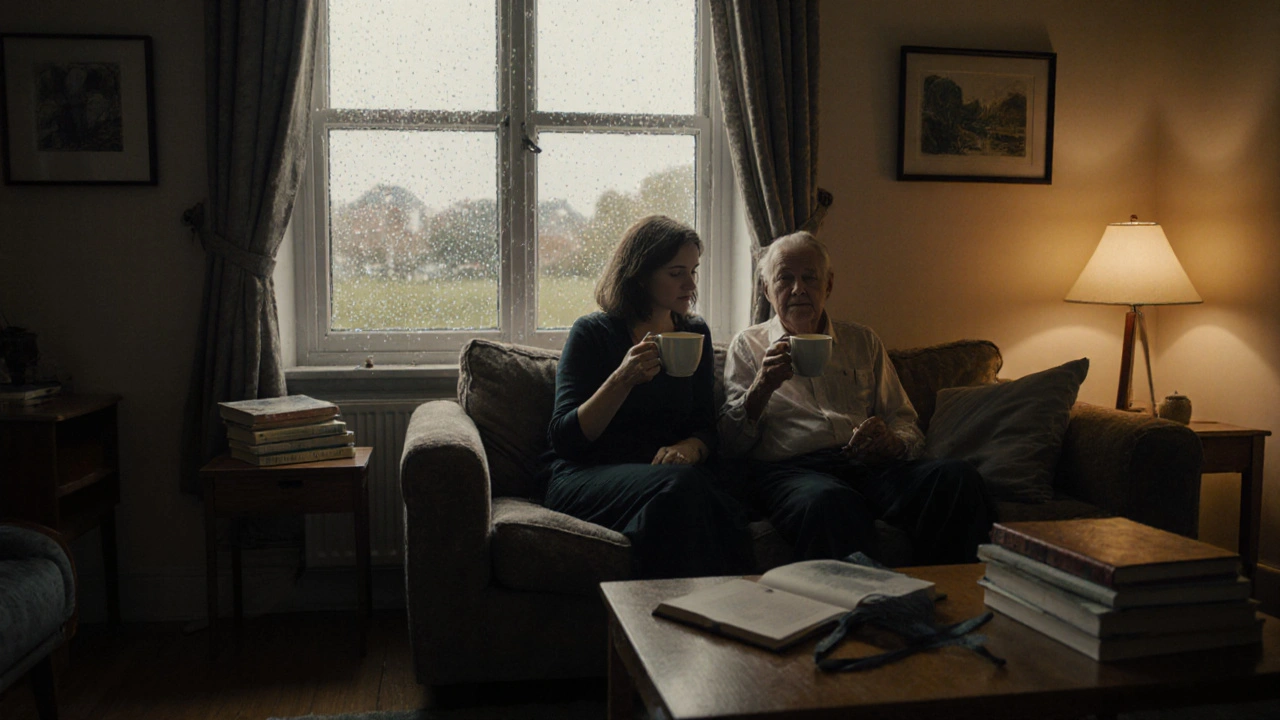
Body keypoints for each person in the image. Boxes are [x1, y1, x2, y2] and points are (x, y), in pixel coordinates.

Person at [718, 231, 994, 565]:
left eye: (810, 278)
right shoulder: (749, 346)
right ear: (766, 289)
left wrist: (892, 443)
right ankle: (864, 599)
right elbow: (730, 443)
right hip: (792, 472)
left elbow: (904, 420)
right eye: (785, 278)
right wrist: (762, 386)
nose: (798, 289)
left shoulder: (862, 341)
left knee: (956, 478)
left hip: (869, 466)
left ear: (828, 285)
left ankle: (955, 589)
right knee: (829, 501)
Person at [546, 215, 754, 579]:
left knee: (701, 491)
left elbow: (705, 427)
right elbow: (565, 440)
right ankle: (719, 600)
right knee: (685, 488)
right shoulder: (593, 333)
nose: (691, 284)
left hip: (662, 478)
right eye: (676, 273)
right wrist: (621, 380)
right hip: (587, 474)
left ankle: (671, 604)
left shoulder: (694, 332)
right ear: (641, 275)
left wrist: (690, 448)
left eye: (694, 271)